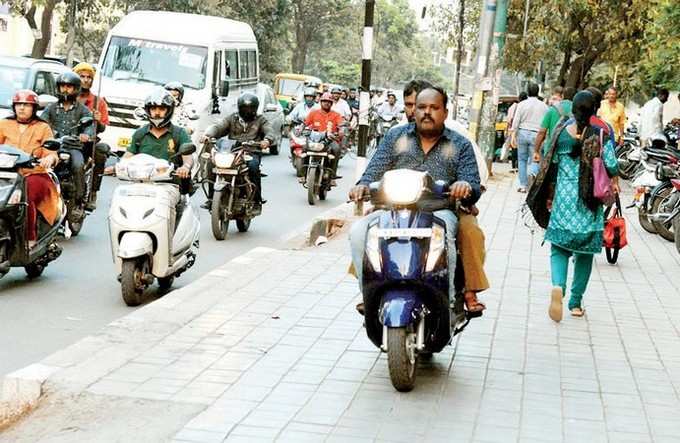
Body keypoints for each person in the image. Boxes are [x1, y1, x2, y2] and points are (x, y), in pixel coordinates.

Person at [349, 85, 486, 313]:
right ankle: (369, 292)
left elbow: (472, 181)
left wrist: (464, 186)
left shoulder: (460, 144)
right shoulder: (396, 137)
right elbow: (373, 170)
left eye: (434, 107)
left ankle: (449, 300)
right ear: (414, 110)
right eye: (421, 107)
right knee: (357, 233)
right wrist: (362, 186)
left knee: (446, 237)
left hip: (439, 211)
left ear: (445, 112)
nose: (426, 112)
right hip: (393, 209)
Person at [535, 91, 619, 320]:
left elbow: (548, 161)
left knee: (559, 249)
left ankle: (558, 286)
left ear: (573, 110)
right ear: (594, 111)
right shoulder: (601, 134)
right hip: (589, 203)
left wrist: (549, 195)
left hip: (563, 200)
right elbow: (612, 166)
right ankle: (575, 302)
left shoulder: (561, 133)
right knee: (585, 254)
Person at [0, 90, 61, 249]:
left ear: (34, 108)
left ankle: (30, 237)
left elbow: (52, 153)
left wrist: (49, 158)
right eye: (19, 104)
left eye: (26, 105)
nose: (22, 108)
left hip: (33, 174)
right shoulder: (4, 124)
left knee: (25, 196)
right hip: (6, 174)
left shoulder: (42, 127)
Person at [201, 92, 274, 212]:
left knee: (253, 166)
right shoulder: (232, 118)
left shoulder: (261, 120)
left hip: (251, 152)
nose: (247, 111)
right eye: (244, 108)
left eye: (250, 108)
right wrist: (208, 135)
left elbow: (270, 131)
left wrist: (267, 140)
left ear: (255, 108)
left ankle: (256, 200)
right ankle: (211, 198)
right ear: (239, 107)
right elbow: (219, 127)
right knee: (211, 163)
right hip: (232, 151)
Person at [41, 71, 94, 217]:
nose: (65, 89)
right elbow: (41, 123)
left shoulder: (83, 110)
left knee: (77, 165)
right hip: (54, 146)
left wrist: (86, 135)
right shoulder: (50, 108)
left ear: (76, 89)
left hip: (73, 147)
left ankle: (79, 201)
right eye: (62, 86)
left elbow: (90, 128)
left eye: (69, 86)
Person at [126, 88, 193, 185]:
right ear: (148, 110)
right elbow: (129, 155)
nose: (157, 113)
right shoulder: (140, 133)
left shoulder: (180, 133)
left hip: (169, 183)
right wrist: (117, 167)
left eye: (162, 109)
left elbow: (188, 157)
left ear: (169, 110)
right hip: (140, 182)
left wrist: (185, 167)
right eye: (153, 109)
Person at [73, 62, 110, 211]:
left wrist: (98, 119)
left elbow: (102, 128)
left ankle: (93, 192)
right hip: (67, 140)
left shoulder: (98, 102)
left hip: (88, 142)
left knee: (101, 152)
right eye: (82, 76)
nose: (86, 80)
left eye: (89, 77)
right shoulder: (67, 98)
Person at [511, 83, 548, 192]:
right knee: (535, 158)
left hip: (522, 132)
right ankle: (533, 174)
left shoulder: (522, 104)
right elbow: (545, 124)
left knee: (521, 160)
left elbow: (516, 120)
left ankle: (523, 185)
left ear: (528, 91)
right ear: (538, 92)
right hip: (537, 134)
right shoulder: (544, 106)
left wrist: (513, 134)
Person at [304, 92, 344, 184]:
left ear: (331, 103)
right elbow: (305, 123)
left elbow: (341, 125)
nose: (327, 103)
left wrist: (341, 131)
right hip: (315, 140)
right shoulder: (314, 113)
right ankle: (303, 174)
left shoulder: (336, 115)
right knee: (304, 148)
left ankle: (332, 176)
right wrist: (300, 129)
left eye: (329, 102)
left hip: (330, 140)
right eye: (325, 101)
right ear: (321, 102)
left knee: (336, 149)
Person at [533, 86, 576, 159]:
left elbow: (542, 132)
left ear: (562, 96)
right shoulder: (577, 111)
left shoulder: (552, 109)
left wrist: (536, 151)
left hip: (552, 150)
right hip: (570, 152)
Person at [506, 92, 527, 171]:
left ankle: (513, 166)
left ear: (519, 98)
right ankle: (519, 166)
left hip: (514, 130)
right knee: (522, 149)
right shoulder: (527, 107)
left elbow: (509, 119)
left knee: (514, 148)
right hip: (523, 130)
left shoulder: (513, 107)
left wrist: (510, 130)